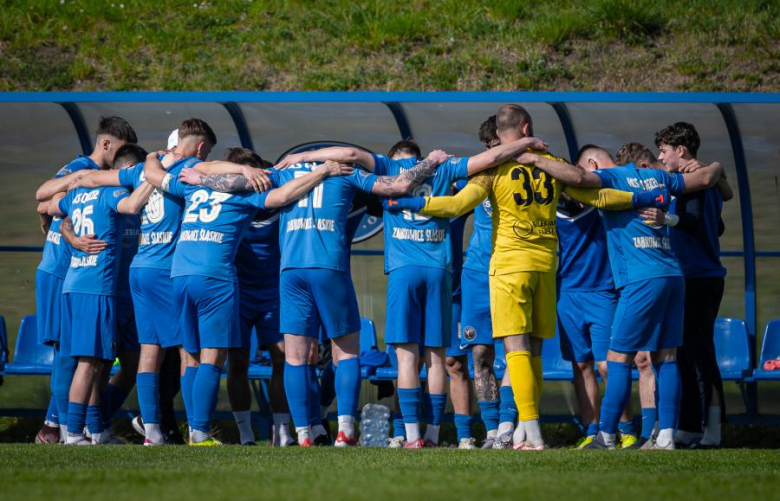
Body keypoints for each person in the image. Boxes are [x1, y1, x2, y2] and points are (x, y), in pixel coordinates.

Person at [383, 104, 667, 450]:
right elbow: (597, 196)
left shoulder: (494, 167)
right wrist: (641, 198)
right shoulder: (553, 163)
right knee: (533, 350)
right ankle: (519, 429)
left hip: (509, 267)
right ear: (528, 126)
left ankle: (530, 430)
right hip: (545, 265)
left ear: (499, 137)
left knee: (514, 349)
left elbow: (456, 206)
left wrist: (411, 206)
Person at [276, 132, 546, 449]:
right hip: (439, 271)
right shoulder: (444, 168)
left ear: (394, 156)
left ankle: (404, 435)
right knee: (436, 359)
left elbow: (350, 152)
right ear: (418, 156)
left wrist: (304, 156)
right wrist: (525, 145)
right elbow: (488, 159)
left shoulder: (386, 166)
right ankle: (434, 434)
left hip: (400, 273)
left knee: (405, 360)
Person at [200, 149, 453, 447]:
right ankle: (345, 431)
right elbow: (398, 186)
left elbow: (221, 180)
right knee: (346, 353)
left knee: (294, 359)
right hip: (328, 266)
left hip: (292, 268)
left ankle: (304, 433)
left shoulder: (283, 174)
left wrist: (198, 175)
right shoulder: (345, 171)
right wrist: (431, 162)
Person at [516, 144, 724, 450]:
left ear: (594, 163)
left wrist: (534, 158)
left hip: (640, 279)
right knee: (666, 358)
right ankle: (665, 437)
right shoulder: (659, 178)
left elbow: (576, 177)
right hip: (672, 274)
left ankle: (607, 435)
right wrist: (718, 165)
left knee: (617, 360)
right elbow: (706, 179)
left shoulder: (611, 177)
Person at [143, 150, 350, 446]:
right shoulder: (244, 194)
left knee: (191, 357)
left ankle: (198, 431)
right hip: (215, 277)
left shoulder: (194, 185)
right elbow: (280, 198)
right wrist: (322, 172)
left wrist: (153, 156)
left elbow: (152, 174)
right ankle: (200, 433)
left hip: (180, 274)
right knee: (214, 360)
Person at [33, 116, 137, 443]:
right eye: (119, 151)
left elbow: (50, 209)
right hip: (64, 273)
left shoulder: (96, 188)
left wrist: (65, 230)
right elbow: (42, 196)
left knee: (83, 355)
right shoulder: (83, 169)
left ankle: (79, 428)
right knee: (73, 355)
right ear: (106, 144)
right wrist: (64, 232)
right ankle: (64, 430)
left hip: (74, 272)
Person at [624, 130, 732, 449]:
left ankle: (712, 430)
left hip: (701, 276)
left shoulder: (695, 180)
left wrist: (665, 218)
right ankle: (689, 426)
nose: (662, 158)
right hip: (691, 274)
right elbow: (718, 225)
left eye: (664, 151)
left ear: (680, 150)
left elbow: (695, 220)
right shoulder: (697, 180)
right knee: (683, 355)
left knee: (701, 355)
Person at [45, 152, 154, 445]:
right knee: (92, 363)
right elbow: (45, 202)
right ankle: (75, 431)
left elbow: (51, 206)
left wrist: (69, 232)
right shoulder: (114, 195)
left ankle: (96, 429)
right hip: (99, 289)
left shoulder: (84, 195)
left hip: (107, 291)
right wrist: (156, 176)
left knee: (105, 361)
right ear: (128, 170)